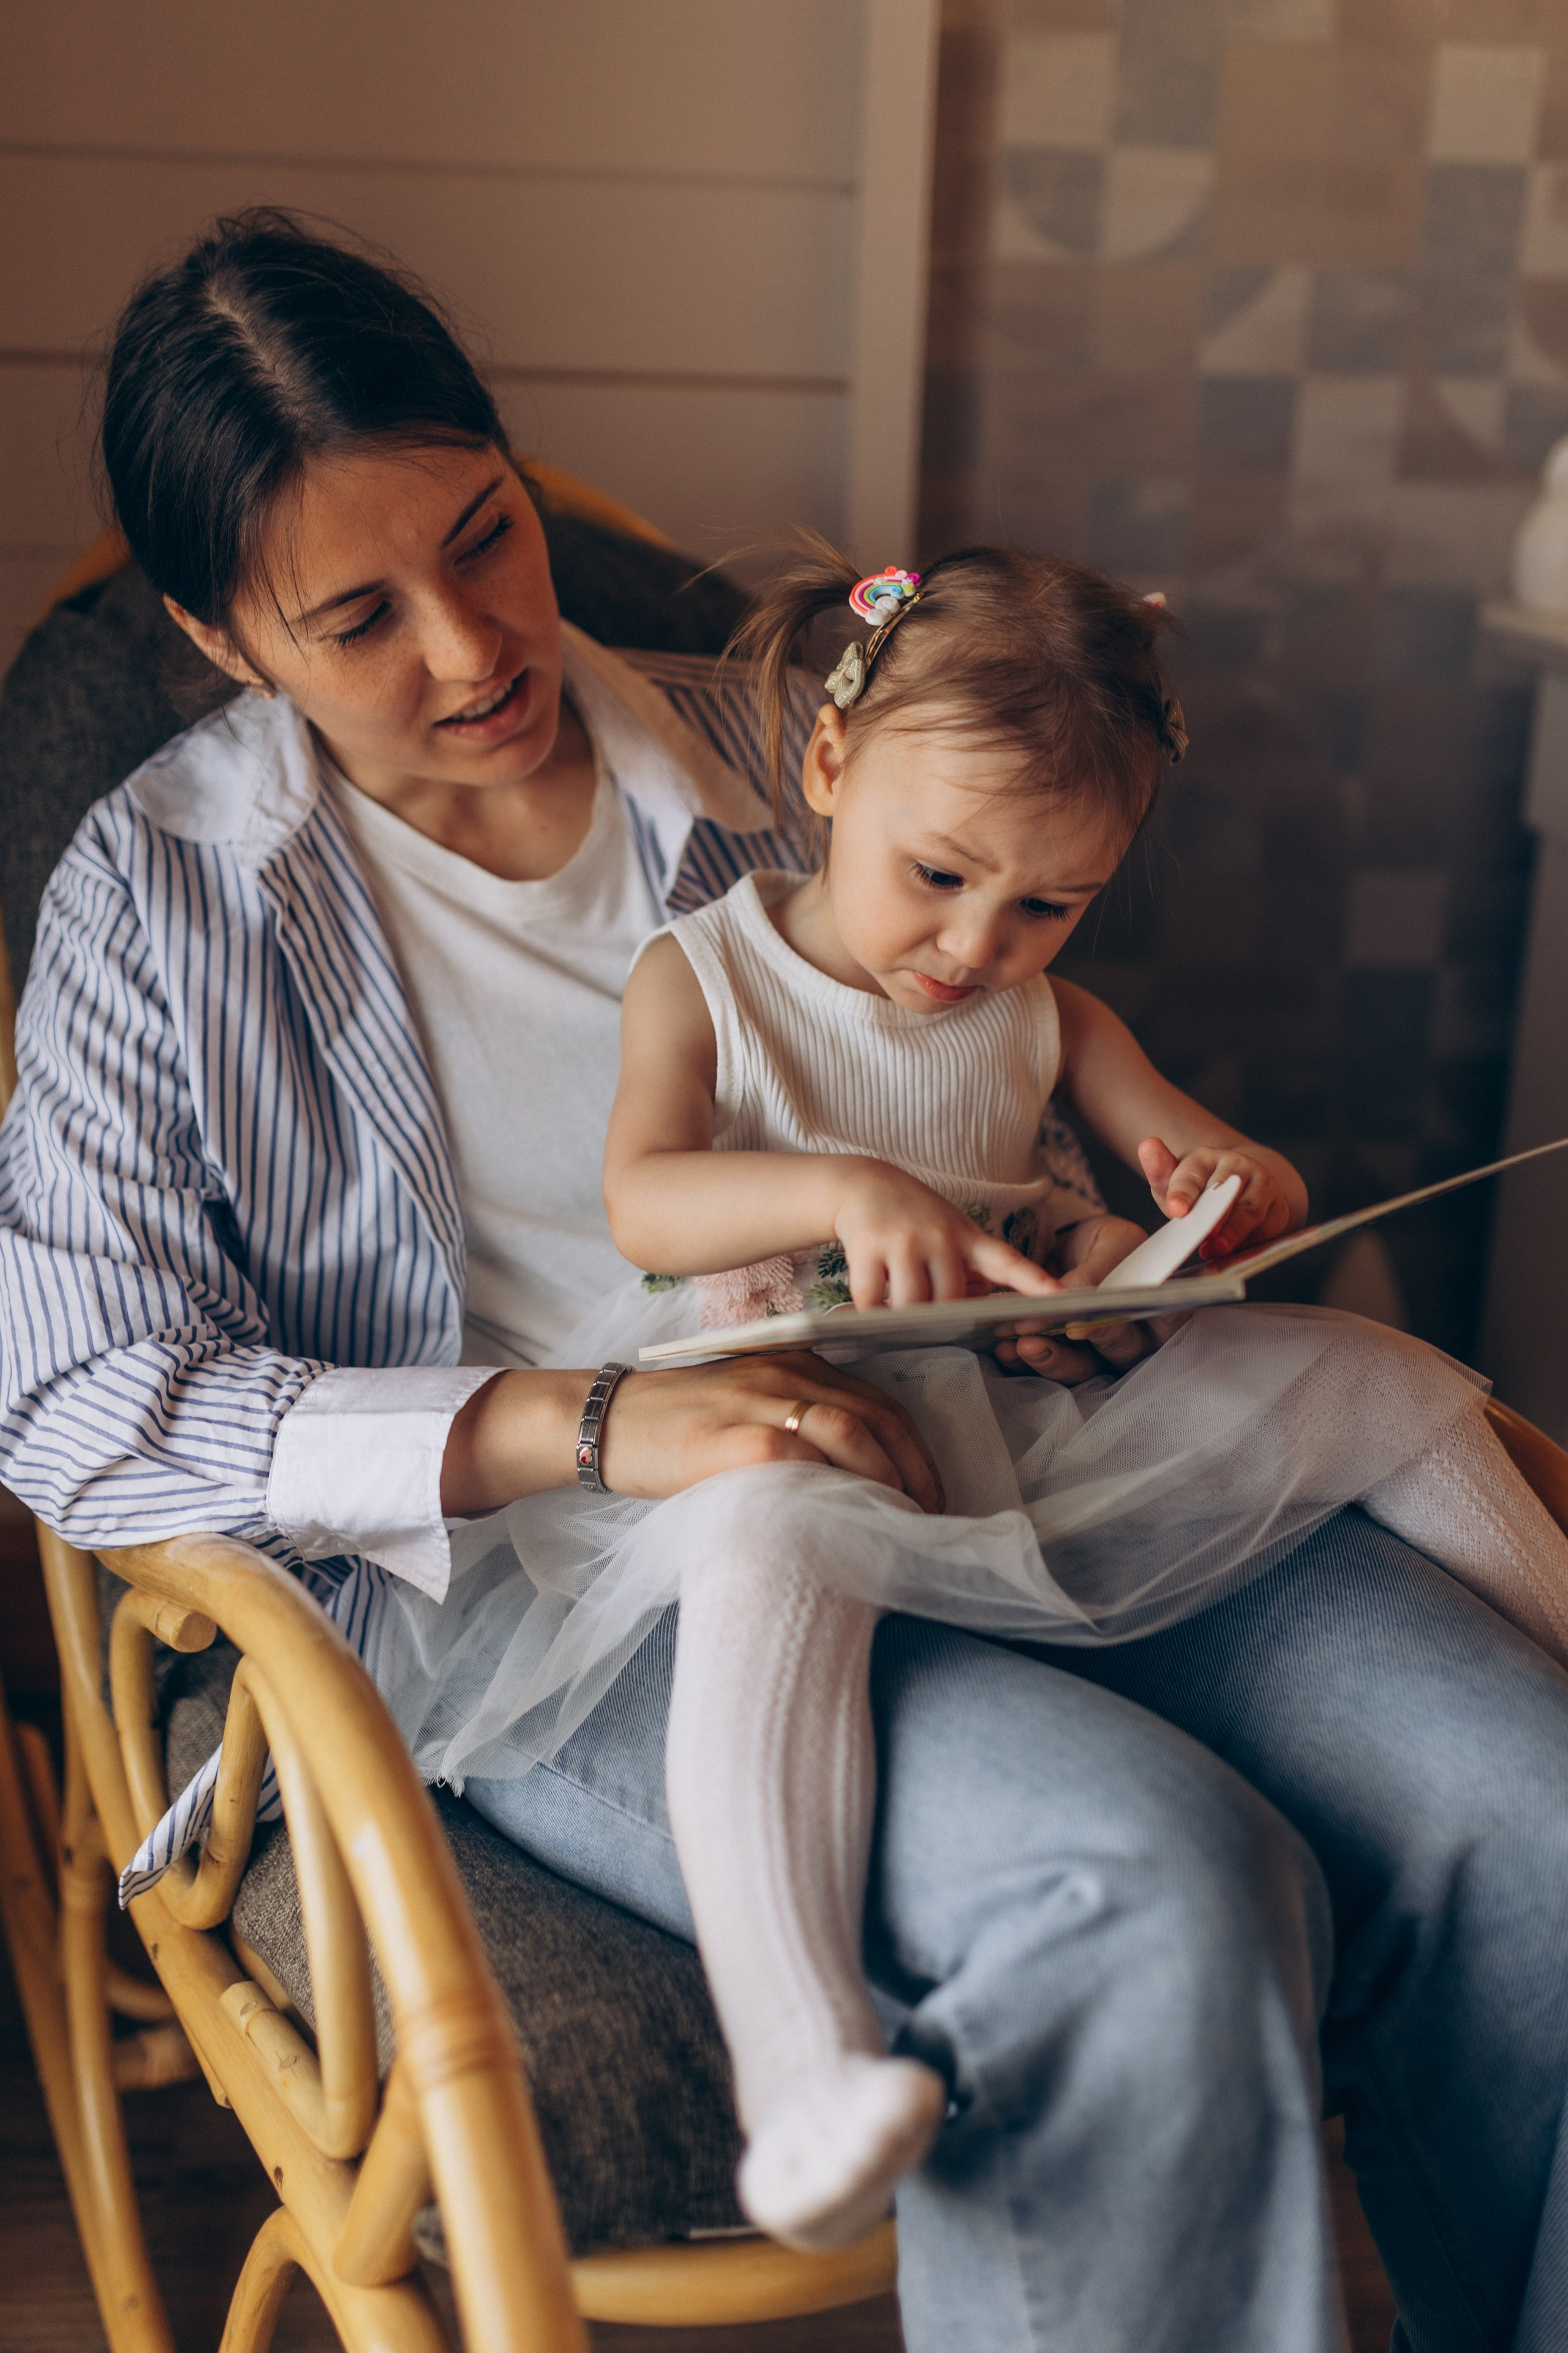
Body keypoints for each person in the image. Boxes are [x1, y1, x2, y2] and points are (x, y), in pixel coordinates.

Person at [2, 211, 1567, 2352]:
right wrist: (586, 1419)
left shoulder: (789, 742)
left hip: (1014, 1444)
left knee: (1530, 1795)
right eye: (360, 615)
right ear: (221, 633)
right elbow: (72, 1396)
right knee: (1143, 1886)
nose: (473, 646)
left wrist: (1074, 1254)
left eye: (488, 532)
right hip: (596, 1572)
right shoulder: (163, 899)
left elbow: (972, 1088)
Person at [352, 540, 1568, 2253]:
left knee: (1383, 1378)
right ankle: (802, 2064)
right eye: (937, 875)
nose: (974, 945)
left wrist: (1204, 1194)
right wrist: (842, 1191)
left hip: (1020, 1414)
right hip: (789, 1405)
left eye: (1049, 905)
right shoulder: (706, 974)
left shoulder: (1045, 1011)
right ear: (832, 771)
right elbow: (648, 1197)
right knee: (769, 1543)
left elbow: (1149, 1156)